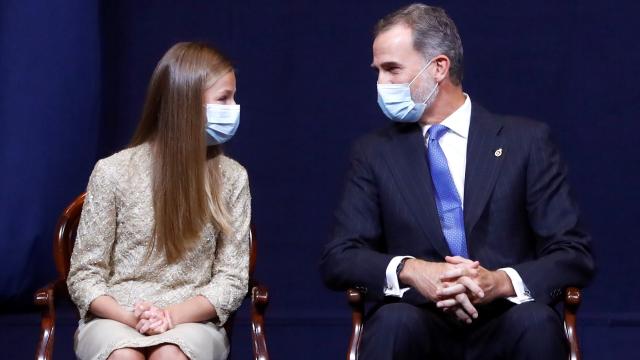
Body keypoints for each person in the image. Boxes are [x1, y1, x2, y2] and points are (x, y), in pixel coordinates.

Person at [320, 4, 595, 359]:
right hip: (417, 318)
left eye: (392, 70)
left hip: (507, 317)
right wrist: (412, 269)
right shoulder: (374, 153)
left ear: (438, 68)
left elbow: (574, 253)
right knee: (391, 323)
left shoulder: (525, 142)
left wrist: (499, 282)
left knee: (537, 324)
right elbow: (339, 257)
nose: (381, 84)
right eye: (378, 71)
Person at [67, 42, 251, 360]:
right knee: (123, 356)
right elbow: (85, 274)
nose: (234, 107)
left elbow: (232, 278)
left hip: (191, 319)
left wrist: (172, 317)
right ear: (186, 104)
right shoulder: (112, 172)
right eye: (224, 98)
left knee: (170, 355)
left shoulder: (233, 177)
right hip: (116, 317)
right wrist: (128, 318)